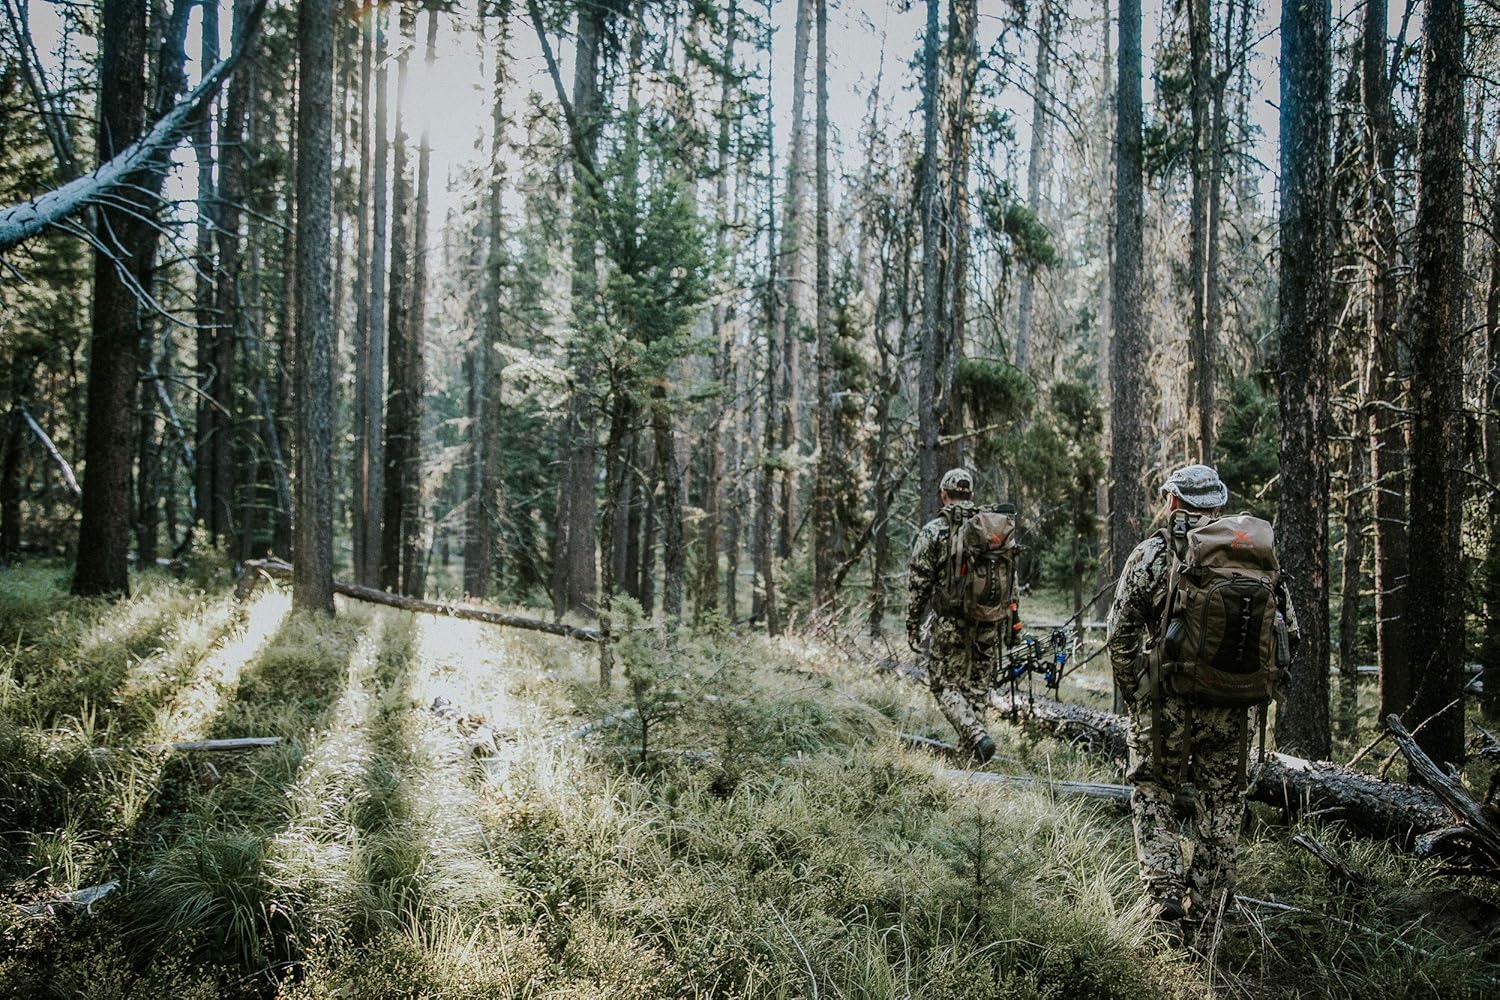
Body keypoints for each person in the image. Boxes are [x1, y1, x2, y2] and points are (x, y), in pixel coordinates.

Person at [1106, 464, 1299, 935]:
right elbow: (1290, 635)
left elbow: (1119, 635)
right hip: (1233, 709)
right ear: (1217, 506)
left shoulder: (1153, 554)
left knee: (1153, 790)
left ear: (1173, 501)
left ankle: (1164, 897)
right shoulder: (1253, 558)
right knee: (1223, 804)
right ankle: (1209, 914)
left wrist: (1136, 694)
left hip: (1165, 707)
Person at [906, 468, 1009, 762]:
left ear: (943, 495)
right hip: (989, 622)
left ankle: (976, 737)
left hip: (952, 623)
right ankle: (973, 763)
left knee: (943, 684)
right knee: (976, 691)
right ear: (971, 495)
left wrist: (913, 624)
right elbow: (1008, 580)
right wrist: (1011, 623)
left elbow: (919, 582)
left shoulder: (934, 531)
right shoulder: (993, 530)